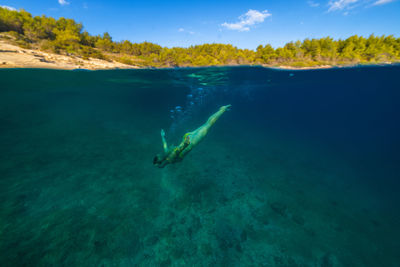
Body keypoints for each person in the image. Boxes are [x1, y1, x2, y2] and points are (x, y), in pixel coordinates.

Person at [153, 104, 232, 168]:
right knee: (207, 124)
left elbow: (173, 148)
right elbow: (175, 150)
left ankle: (222, 109)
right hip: (187, 138)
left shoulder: (168, 157)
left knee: (208, 124)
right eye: (158, 156)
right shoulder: (169, 157)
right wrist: (163, 136)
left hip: (191, 142)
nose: (159, 154)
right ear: (160, 159)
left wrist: (184, 144)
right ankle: (221, 110)